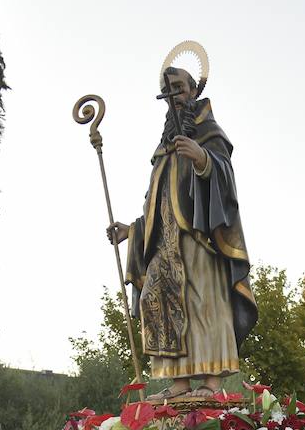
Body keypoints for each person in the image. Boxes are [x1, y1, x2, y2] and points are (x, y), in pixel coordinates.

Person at [109, 60, 257, 401]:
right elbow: (159, 204)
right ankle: (178, 384)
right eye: (168, 91)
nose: (174, 97)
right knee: (157, 301)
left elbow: (225, 181)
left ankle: (210, 382)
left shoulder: (209, 134)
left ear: (194, 92)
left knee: (202, 302)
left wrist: (203, 159)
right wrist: (131, 231)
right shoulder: (163, 151)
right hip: (164, 243)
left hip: (199, 239)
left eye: (179, 89)